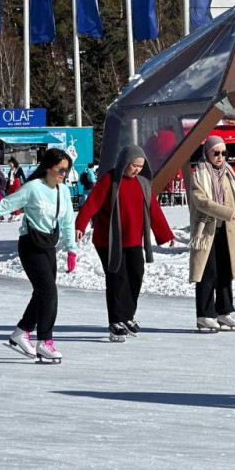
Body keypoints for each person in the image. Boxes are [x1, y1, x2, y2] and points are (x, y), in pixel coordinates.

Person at [0, 148, 77, 363]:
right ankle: (44, 342)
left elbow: (67, 222)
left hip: (49, 245)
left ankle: (21, 332)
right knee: (48, 292)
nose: (64, 174)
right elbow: (5, 205)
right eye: (60, 170)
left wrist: (72, 249)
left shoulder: (63, 191)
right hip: (30, 245)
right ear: (48, 167)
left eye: (67, 171)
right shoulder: (32, 188)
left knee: (42, 293)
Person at [75, 145, 174, 341]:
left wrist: (166, 234)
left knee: (136, 275)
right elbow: (92, 203)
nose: (137, 169)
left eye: (140, 166)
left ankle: (128, 316)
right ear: (124, 163)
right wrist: (80, 224)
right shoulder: (109, 180)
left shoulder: (143, 183)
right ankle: (116, 321)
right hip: (109, 241)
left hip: (133, 239)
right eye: (133, 165)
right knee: (117, 279)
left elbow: (153, 210)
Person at [187, 135, 235, 333]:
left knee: (226, 271)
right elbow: (201, 202)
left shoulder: (228, 173)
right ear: (207, 153)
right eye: (216, 153)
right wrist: (226, 212)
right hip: (206, 231)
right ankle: (204, 315)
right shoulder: (199, 174)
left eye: (224, 153)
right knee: (208, 273)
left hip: (228, 230)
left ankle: (224, 310)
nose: (220, 157)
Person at [5, 157, 26, 222]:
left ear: (14, 163)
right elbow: (9, 180)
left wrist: (26, 184)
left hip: (17, 184)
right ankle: (13, 214)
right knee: (11, 200)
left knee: (16, 200)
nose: (10, 165)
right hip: (11, 185)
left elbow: (23, 177)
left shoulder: (19, 169)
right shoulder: (10, 170)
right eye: (9, 164)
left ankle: (17, 215)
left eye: (11, 163)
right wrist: (6, 188)